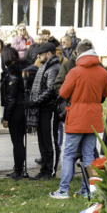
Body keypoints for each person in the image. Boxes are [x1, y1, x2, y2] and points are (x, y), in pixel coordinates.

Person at [51, 45, 107, 199]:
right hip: (93, 118)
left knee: (69, 154)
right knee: (89, 155)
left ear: (79, 54)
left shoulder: (75, 71)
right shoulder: (103, 72)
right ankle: (88, 190)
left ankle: (63, 190)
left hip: (77, 117)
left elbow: (63, 92)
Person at [28, 43, 61, 180]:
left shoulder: (54, 68)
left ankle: (50, 171)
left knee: (49, 141)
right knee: (42, 140)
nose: (38, 56)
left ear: (49, 54)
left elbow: (51, 90)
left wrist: (34, 101)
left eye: (40, 54)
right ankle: (44, 169)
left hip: (50, 110)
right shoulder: (45, 66)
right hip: (42, 109)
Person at [0, 46, 30, 179]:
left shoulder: (12, 73)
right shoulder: (21, 70)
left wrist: (6, 117)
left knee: (16, 141)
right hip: (22, 108)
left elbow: (10, 98)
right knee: (19, 141)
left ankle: (18, 170)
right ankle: (19, 168)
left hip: (16, 110)